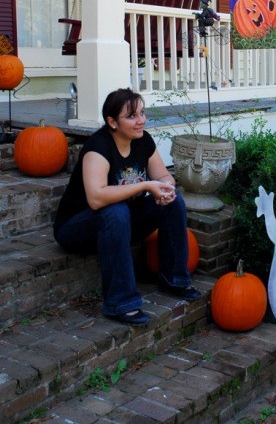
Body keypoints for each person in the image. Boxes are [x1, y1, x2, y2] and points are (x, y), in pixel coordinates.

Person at [53, 88, 201, 326]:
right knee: (116, 210)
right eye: (132, 116)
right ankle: (120, 303)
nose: (141, 120)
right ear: (112, 122)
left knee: (175, 202)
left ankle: (175, 279)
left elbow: (164, 176)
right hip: (77, 228)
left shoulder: (143, 140)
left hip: (120, 223)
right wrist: (146, 186)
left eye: (142, 113)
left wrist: (164, 189)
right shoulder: (98, 147)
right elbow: (97, 198)